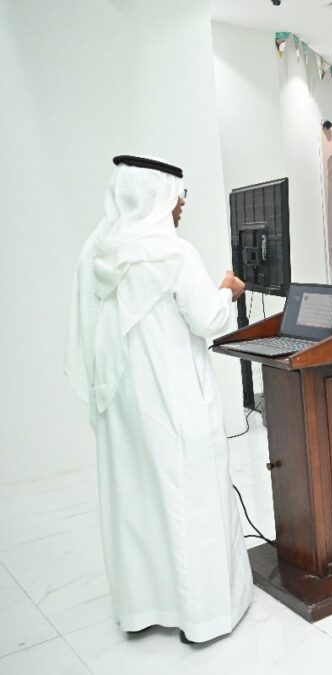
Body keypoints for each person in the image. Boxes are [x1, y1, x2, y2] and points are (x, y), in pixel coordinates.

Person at [65, 155, 252, 644]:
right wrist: (229, 291)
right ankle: (204, 616)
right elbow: (208, 321)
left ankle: (142, 609)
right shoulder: (173, 254)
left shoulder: (95, 254)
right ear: (156, 195)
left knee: (138, 501)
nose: (184, 203)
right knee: (188, 498)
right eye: (178, 195)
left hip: (124, 410)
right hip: (175, 404)